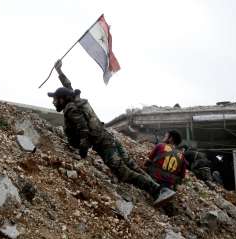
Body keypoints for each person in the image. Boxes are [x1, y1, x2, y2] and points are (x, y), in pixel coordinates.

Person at [47, 60, 172, 205]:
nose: (54, 102)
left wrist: (82, 149)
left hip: (103, 144)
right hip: (108, 137)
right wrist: (60, 72)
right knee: (132, 166)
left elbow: (83, 130)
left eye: (55, 99)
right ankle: (161, 189)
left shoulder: (70, 108)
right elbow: (68, 87)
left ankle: (157, 191)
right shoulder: (76, 100)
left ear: (62, 99)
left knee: (123, 172)